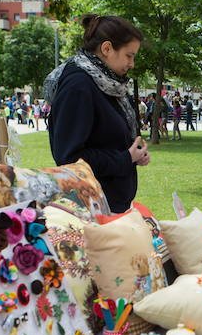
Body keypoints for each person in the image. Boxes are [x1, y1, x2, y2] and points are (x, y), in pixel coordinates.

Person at [45, 14, 148, 214]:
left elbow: (106, 139)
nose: (132, 64)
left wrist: (134, 154)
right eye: (129, 55)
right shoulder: (79, 86)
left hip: (109, 203)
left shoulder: (109, 84)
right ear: (107, 49)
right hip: (93, 207)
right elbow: (69, 158)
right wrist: (125, 158)